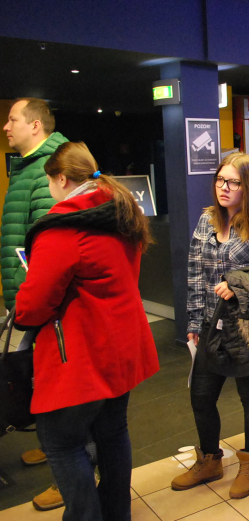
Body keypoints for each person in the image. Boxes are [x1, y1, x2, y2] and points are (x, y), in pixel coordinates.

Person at [14, 142, 159, 521]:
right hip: (121, 346)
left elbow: (32, 307)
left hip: (79, 356)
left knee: (60, 443)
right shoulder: (121, 213)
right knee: (112, 433)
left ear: (61, 179)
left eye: (49, 181)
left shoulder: (62, 229)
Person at [172, 153, 249, 498]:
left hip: (247, 328)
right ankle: (210, 459)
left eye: (233, 182)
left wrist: (238, 284)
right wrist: (193, 319)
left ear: (248, 186)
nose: (224, 187)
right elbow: (194, 274)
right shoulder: (207, 221)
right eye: (220, 180)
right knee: (201, 396)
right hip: (211, 325)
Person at [2, 98, 69, 510]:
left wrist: (31, 300)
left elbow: (49, 247)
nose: (6, 127)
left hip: (40, 307)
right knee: (37, 383)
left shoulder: (50, 170)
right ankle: (52, 447)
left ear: (36, 125)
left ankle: (68, 470)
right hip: (26, 302)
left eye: (12, 119)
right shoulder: (26, 167)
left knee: (55, 389)